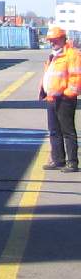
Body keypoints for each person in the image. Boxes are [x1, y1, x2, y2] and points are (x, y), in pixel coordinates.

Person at [40, 25, 80, 172]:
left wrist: (69, 93)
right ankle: (58, 160)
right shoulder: (54, 55)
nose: (52, 43)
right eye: (50, 40)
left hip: (65, 98)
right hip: (52, 97)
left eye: (55, 40)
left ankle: (72, 162)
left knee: (67, 131)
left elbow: (76, 77)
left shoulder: (72, 54)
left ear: (63, 39)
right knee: (54, 130)